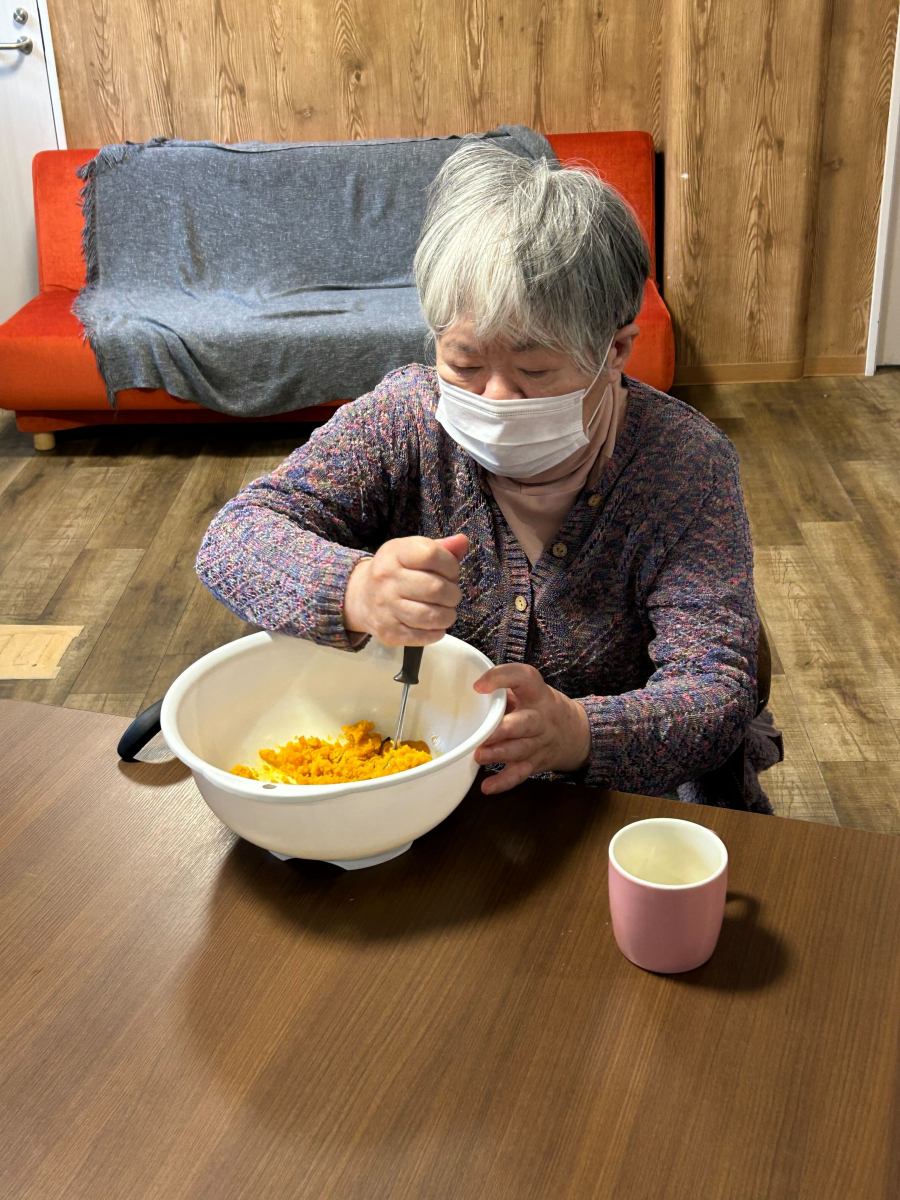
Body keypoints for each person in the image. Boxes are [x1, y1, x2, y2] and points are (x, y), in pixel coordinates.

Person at [197, 141, 777, 811]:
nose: (495, 397)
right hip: (418, 796)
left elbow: (717, 688)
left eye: (535, 371)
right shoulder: (405, 419)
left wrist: (580, 732)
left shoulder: (683, 463)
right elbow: (234, 539)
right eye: (464, 364)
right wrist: (356, 589)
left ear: (616, 349)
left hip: (613, 811)